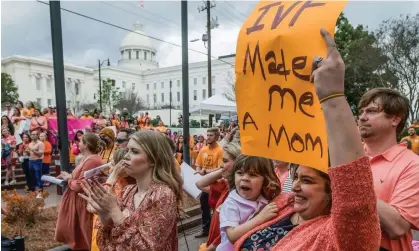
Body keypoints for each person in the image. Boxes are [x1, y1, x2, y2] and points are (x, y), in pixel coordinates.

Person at [234, 28, 381, 251]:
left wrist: (332, 98)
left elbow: (355, 205)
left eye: (309, 181)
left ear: (334, 192)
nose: (296, 187)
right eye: (296, 178)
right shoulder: (284, 206)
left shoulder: (336, 236)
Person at [79, 130, 184, 250]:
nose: (126, 156)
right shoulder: (128, 191)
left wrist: (113, 209)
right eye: (128, 150)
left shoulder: (163, 194)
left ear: (153, 159)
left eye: (134, 151)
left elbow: (146, 248)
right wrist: (103, 213)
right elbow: (106, 243)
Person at [358, 88, 419, 251]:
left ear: (395, 119)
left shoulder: (413, 165)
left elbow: (397, 227)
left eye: (371, 111)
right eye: (361, 111)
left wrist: (351, 182)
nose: (362, 117)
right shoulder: (346, 156)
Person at [218, 155, 281, 251]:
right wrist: (261, 218)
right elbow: (232, 235)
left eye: (252, 175)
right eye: (240, 173)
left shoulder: (263, 200)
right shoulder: (231, 204)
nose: (245, 178)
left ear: (265, 180)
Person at [55, 133, 105, 250]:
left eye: (80, 141)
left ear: (86, 145)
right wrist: (69, 176)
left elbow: (80, 185)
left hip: (83, 201)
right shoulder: (86, 158)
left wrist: (69, 179)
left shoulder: (92, 160)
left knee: (85, 231)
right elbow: (77, 179)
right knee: (79, 232)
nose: (78, 143)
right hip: (78, 200)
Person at [196, 142, 242, 251]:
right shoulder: (225, 185)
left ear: (238, 163)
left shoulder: (243, 192)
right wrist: (223, 170)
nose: (221, 164)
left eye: (225, 161)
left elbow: (230, 231)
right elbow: (200, 184)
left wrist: (210, 248)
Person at [195, 127, 224, 238]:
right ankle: (206, 229)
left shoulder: (220, 151)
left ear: (216, 137)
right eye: (208, 135)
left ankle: (218, 231)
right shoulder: (203, 150)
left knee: (217, 208)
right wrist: (198, 171)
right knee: (204, 206)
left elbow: (220, 168)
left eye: (211, 135)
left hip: (216, 185)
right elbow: (198, 164)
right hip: (205, 184)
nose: (208, 137)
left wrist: (205, 171)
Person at [28, 130, 44, 198]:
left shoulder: (40, 143)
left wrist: (33, 151)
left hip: (37, 161)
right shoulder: (30, 143)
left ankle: (40, 193)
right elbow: (30, 153)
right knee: (33, 177)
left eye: (35, 134)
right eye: (32, 134)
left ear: (37, 135)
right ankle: (35, 192)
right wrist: (27, 152)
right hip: (30, 161)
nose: (33, 136)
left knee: (38, 177)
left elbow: (41, 154)